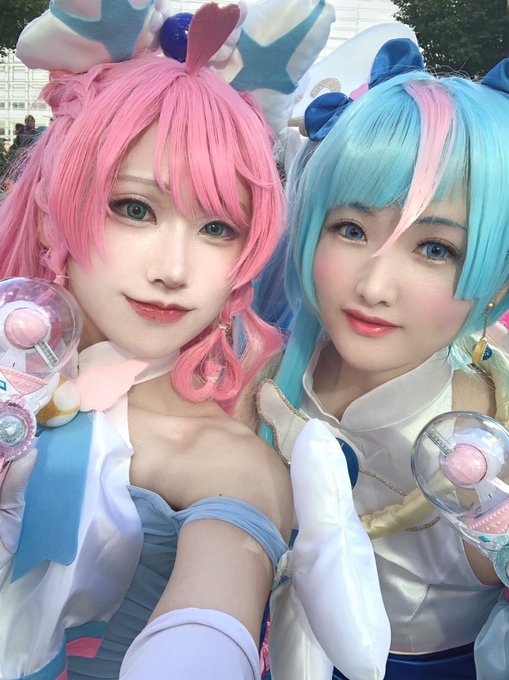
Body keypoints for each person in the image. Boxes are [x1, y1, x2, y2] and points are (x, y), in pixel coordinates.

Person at [0, 4, 295, 678]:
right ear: (49, 215)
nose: (173, 269)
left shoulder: (231, 462)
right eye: (134, 208)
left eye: (218, 228)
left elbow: (215, 609)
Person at [255, 40, 509, 679]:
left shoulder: (488, 433)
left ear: (497, 283)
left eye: (435, 249)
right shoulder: (262, 378)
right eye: (351, 229)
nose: (373, 286)